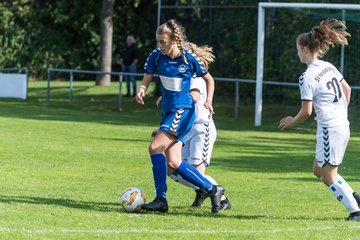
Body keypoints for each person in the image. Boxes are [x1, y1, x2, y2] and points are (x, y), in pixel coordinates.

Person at [135, 19, 225, 214]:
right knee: (174, 162)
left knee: (154, 147)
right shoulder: (156, 56)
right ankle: (213, 189)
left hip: (183, 111)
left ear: (175, 40)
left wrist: (208, 101)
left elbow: (209, 79)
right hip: (168, 111)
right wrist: (142, 90)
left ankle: (161, 199)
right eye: (158, 42)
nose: (160, 46)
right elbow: (146, 79)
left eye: (163, 42)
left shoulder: (188, 59)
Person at [279, 19, 360, 221]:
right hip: (341, 123)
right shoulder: (328, 66)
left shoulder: (307, 77)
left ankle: (356, 212)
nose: (297, 53)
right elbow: (347, 89)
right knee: (318, 170)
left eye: (298, 49)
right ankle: (355, 197)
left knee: (328, 176)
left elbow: (306, 111)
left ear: (305, 49)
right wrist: (340, 111)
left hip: (329, 128)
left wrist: (291, 121)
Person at [166, 77, 231, 210]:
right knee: (172, 169)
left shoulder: (195, 78)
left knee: (197, 172)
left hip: (201, 129)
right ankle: (202, 189)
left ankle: (222, 200)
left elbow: (194, 97)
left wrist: (173, 98)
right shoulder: (182, 78)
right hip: (186, 129)